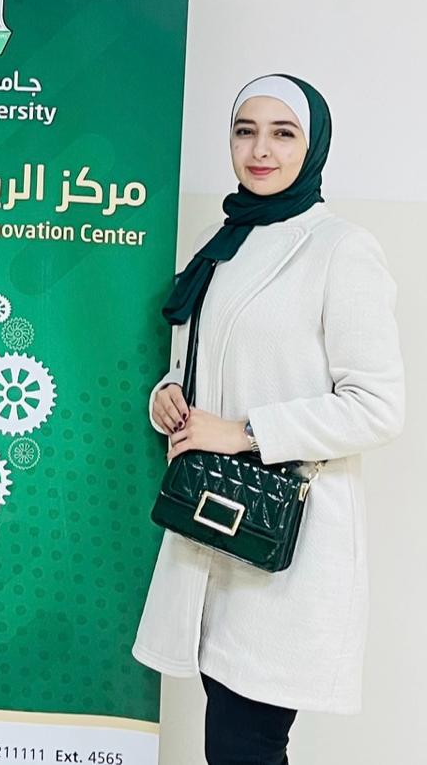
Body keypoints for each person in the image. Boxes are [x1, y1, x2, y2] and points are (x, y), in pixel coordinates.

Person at [133, 75, 404, 765]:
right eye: (244, 130)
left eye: (283, 133)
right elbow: (201, 359)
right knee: (230, 741)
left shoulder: (340, 249)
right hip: (212, 524)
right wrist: (170, 393)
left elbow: (378, 405)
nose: (260, 150)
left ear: (313, 147)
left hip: (285, 539)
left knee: (244, 745)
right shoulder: (220, 240)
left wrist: (245, 432)